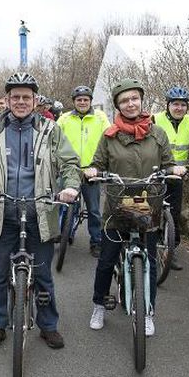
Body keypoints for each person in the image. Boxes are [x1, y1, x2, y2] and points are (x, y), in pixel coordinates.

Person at [0, 72, 81, 352]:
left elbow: (69, 163)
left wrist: (70, 187)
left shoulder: (50, 130)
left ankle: (48, 326)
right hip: (2, 211)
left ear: (35, 100)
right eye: (15, 97)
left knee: (43, 275)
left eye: (26, 97)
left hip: (39, 212)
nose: (20, 101)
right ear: (7, 100)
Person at [84, 78, 184, 335]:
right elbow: (98, 163)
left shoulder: (157, 133)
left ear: (141, 101)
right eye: (124, 100)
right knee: (106, 260)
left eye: (134, 99)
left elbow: (167, 163)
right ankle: (98, 304)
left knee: (149, 261)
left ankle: (147, 311)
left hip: (147, 205)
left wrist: (174, 169)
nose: (130, 104)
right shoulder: (109, 136)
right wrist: (94, 170)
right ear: (118, 105)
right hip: (118, 206)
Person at [153, 86, 189, 270]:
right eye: (175, 104)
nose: (179, 108)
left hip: (177, 175)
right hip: (156, 172)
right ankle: (147, 245)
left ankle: (170, 253)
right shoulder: (156, 119)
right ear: (168, 105)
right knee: (149, 209)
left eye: (183, 105)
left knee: (174, 214)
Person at [57, 85, 111, 257]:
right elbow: (54, 139)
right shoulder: (64, 118)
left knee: (94, 210)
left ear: (90, 102)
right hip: (69, 168)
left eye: (85, 100)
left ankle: (96, 241)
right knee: (63, 205)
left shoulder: (100, 117)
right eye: (79, 100)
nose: (82, 102)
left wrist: (101, 165)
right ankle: (65, 234)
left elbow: (109, 139)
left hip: (92, 170)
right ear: (73, 102)